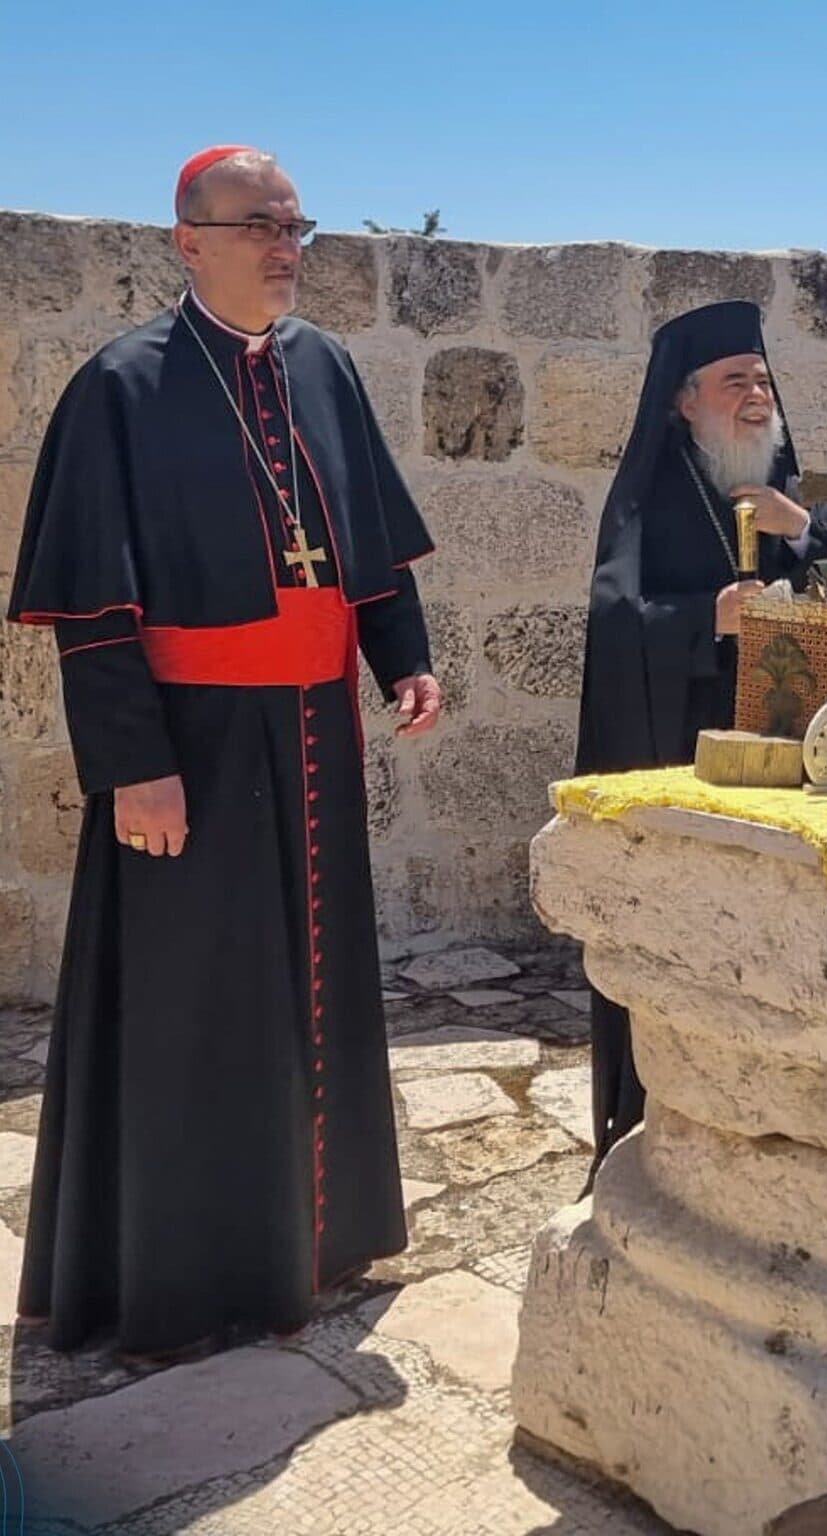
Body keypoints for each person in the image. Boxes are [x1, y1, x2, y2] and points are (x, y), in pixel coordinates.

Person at [6, 145, 441, 1362]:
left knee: (316, 988)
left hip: (314, 733)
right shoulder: (122, 385)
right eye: (260, 226)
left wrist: (399, 656)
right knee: (196, 1009)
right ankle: (186, 1277)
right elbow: (92, 607)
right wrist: (131, 764)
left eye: (296, 224)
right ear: (188, 240)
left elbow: (367, 549)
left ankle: (316, 1238)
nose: (286, 246)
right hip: (188, 749)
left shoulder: (327, 368)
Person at [575, 300, 827, 1177]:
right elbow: (616, 627)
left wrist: (795, 527)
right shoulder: (654, 492)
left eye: (763, 380)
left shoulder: (776, 487)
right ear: (685, 401)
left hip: (784, 754)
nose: (757, 396)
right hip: (684, 750)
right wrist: (710, 619)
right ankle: (662, 1129)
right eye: (736, 382)